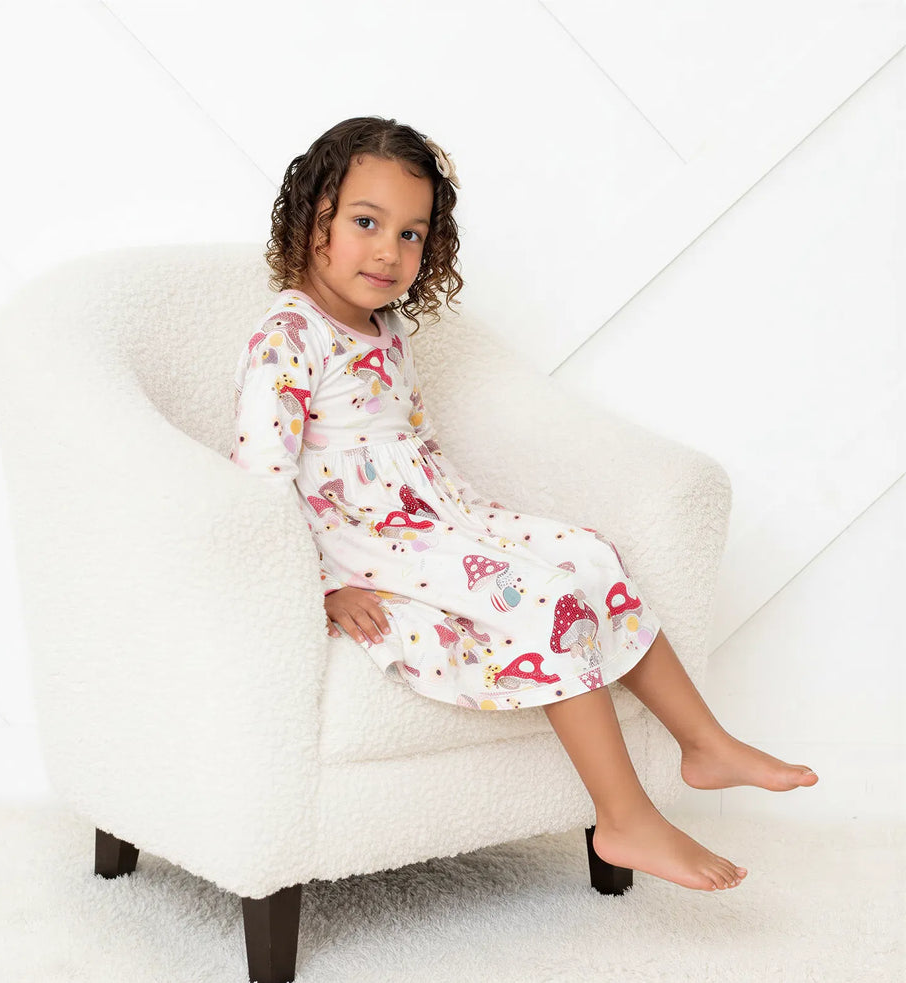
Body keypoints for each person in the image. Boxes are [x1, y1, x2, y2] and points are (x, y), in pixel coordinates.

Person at [230, 116, 818, 893]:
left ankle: (703, 741)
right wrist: (324, 588)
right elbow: (258, 483)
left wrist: (475, 521)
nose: (388, 252)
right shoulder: (289, 335)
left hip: (434, 516)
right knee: (547, 600)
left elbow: (414, 439)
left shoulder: (387, 328)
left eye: (411, 234)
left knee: (589, 553)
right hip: (366, 546)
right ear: (314, 221)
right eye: (366, 223)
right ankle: (625, 817)